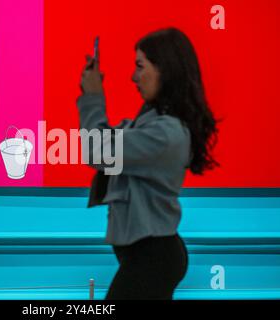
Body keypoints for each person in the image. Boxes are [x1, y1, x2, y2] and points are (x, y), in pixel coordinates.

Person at [76, 27, 221, 300]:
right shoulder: (151, 124)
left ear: (165, 71)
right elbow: (109, 139)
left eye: (140, 66)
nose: (134, 77)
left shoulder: (165, 133)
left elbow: (97, 151)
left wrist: (93, 97)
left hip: (152, 257)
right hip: (147, 255)